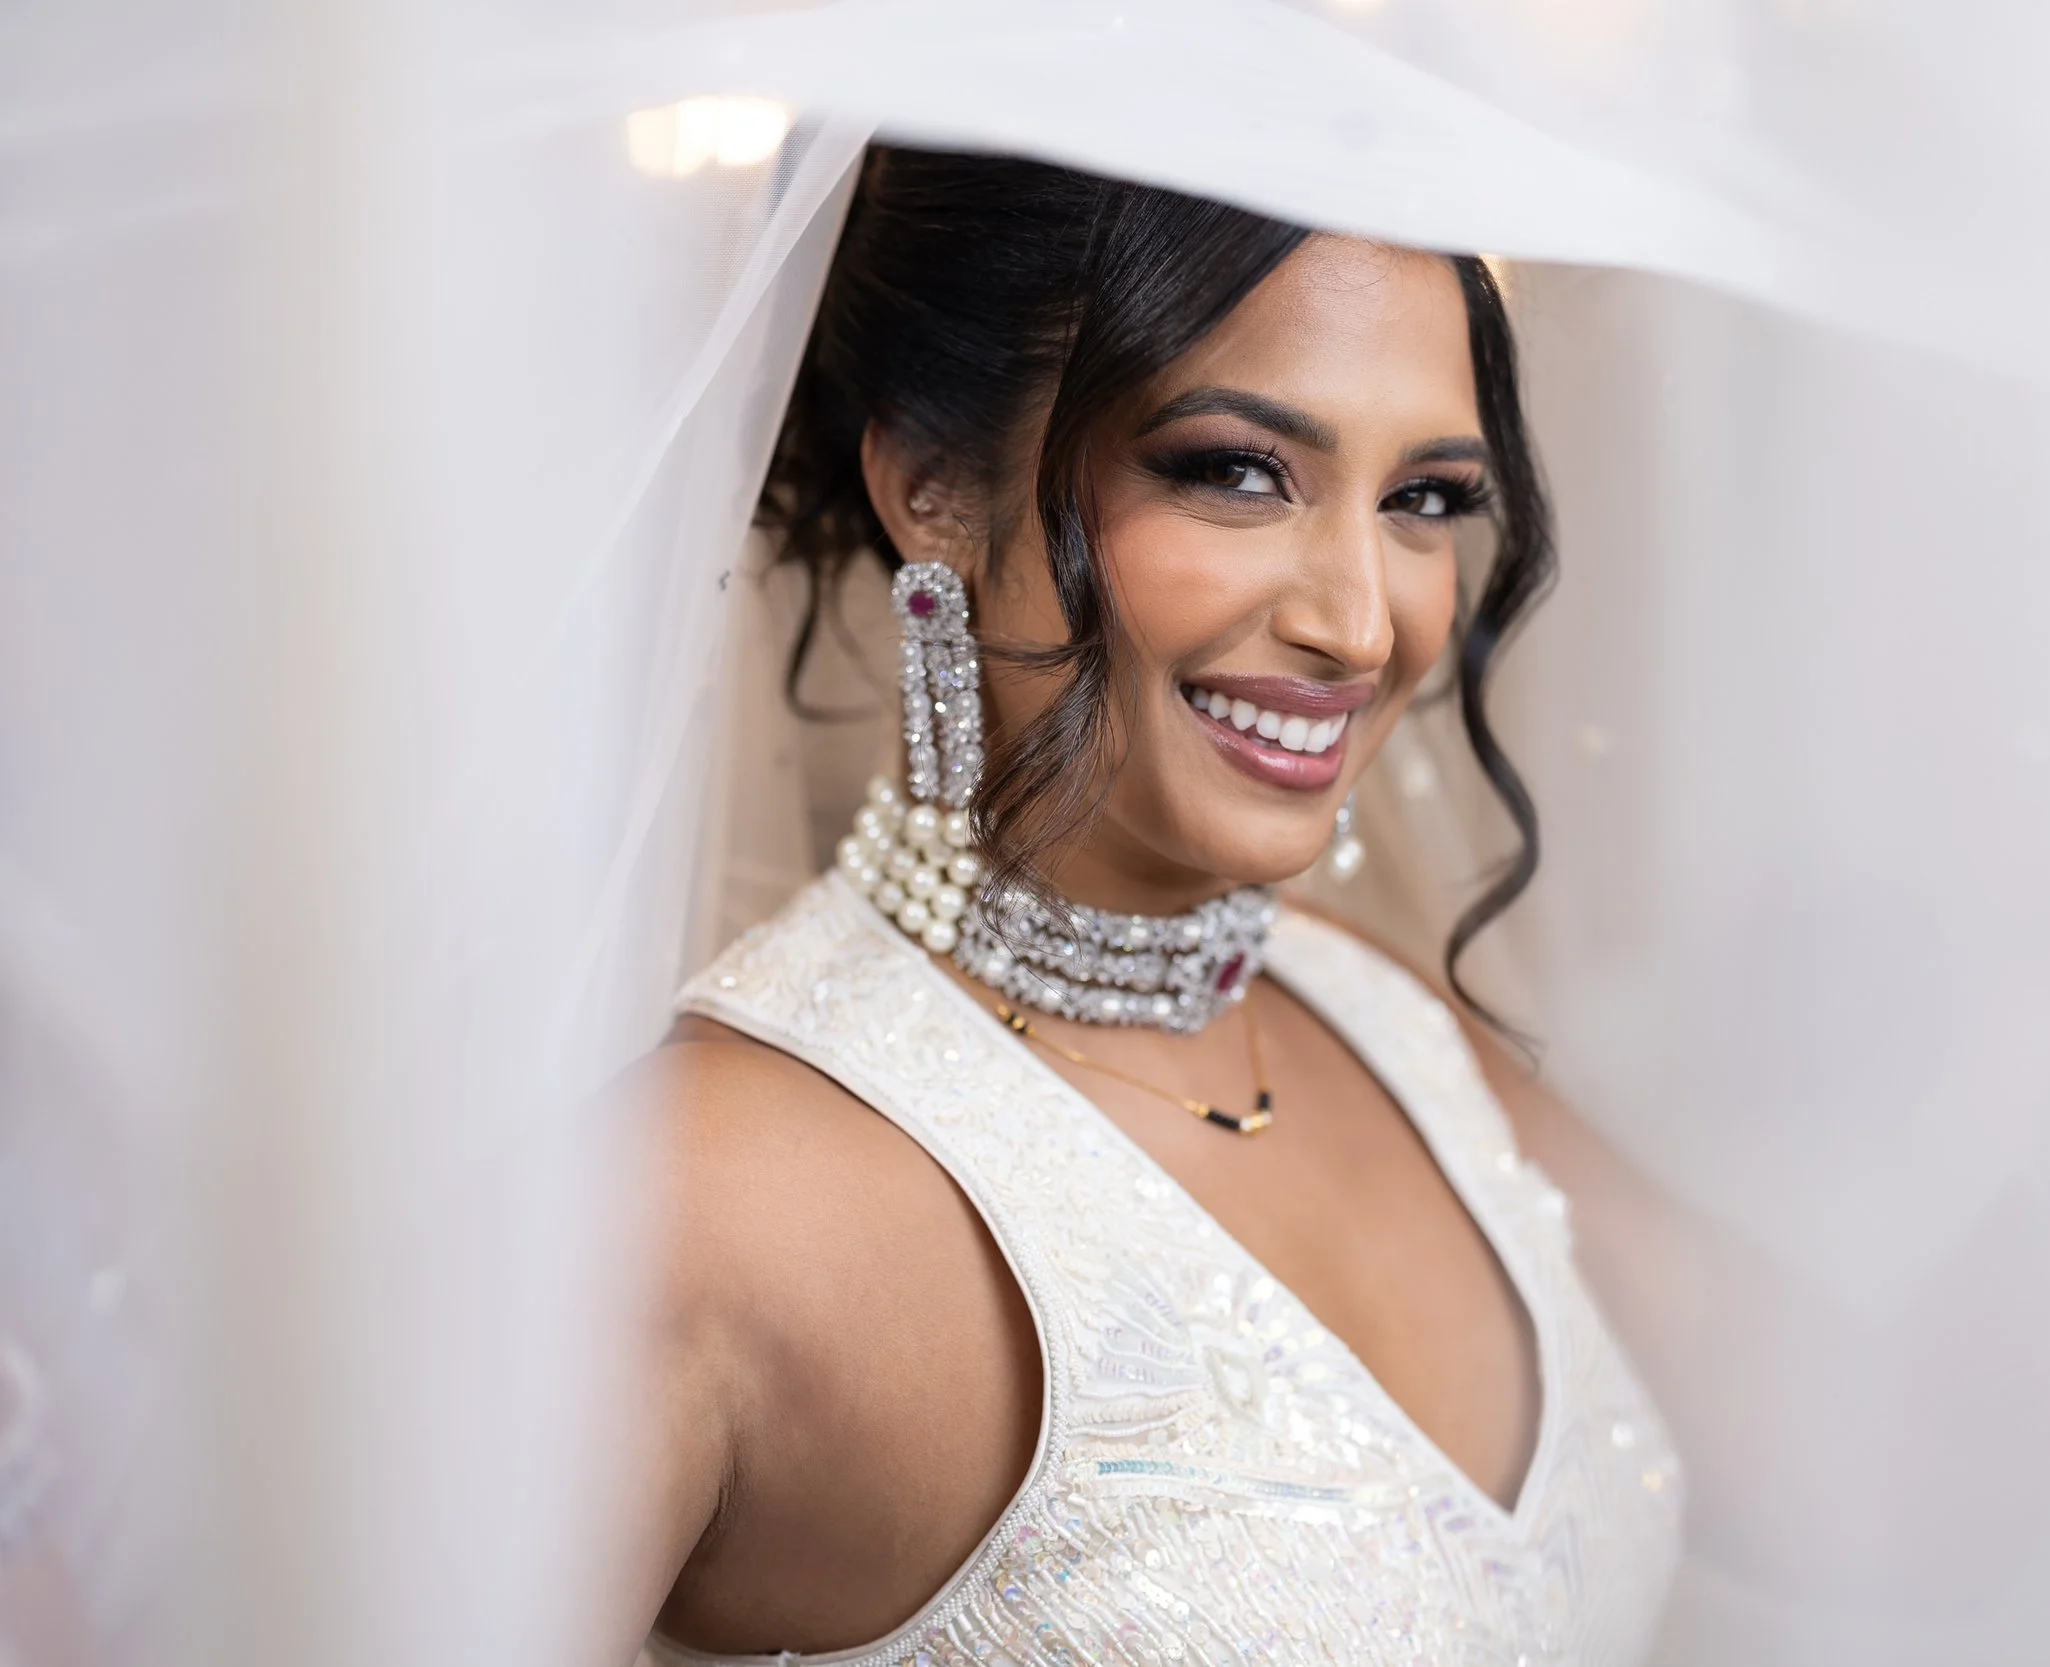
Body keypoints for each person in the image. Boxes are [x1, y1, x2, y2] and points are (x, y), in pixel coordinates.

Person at [608, 145, 1682, 1666]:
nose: (1360, 621)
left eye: (1427, 497)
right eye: (1239, 471)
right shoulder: (697, 1194)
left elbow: (1904, 1459)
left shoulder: (1387, 1019)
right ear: (930, 483)